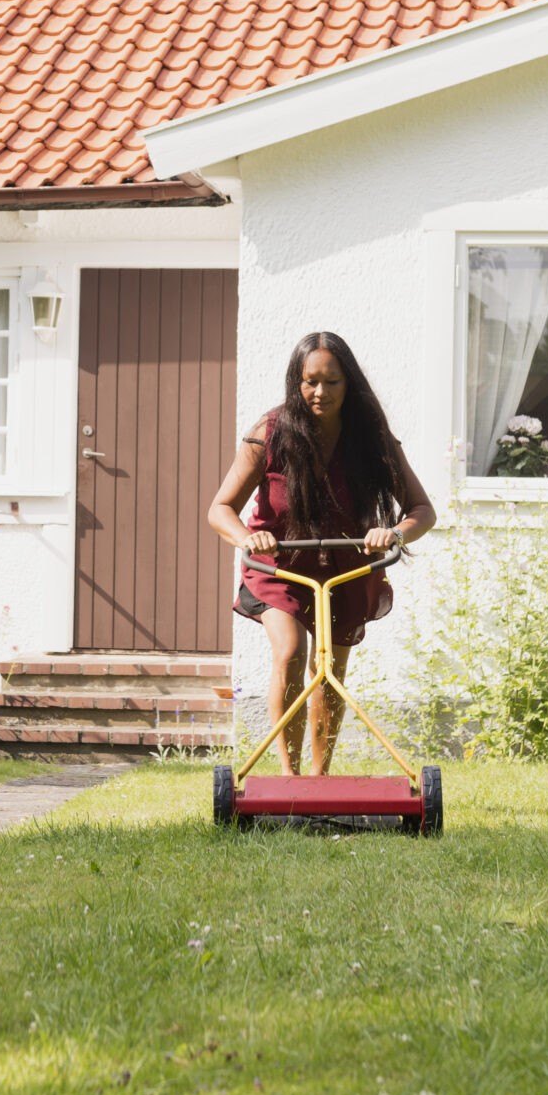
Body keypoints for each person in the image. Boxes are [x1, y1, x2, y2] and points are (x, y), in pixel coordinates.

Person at [205, 331, 436, 776]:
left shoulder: (371, 438)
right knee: (291, 653)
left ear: (349, 384)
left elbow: (423, 511)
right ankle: (289, 780)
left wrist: (393, 534)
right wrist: (247, 538)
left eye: (332, 382)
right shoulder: (270, 433)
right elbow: (220, 509)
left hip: (346, 566)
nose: (320, 392)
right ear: (296, 382)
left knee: (331, 668)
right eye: (310, 381)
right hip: (280, 565)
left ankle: (318, 777)